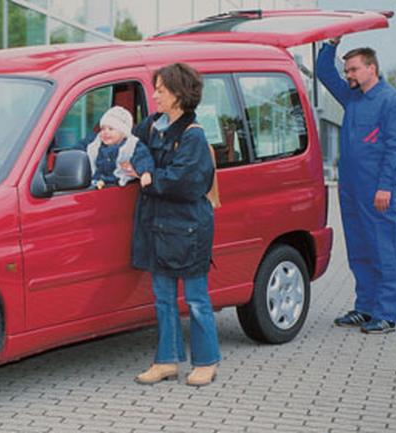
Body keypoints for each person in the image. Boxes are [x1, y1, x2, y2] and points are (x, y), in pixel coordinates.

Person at [122, 63, 220, 386]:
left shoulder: (193, 137)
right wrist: (140, 165)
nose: (154, 96)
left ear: (178, 95)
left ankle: (206, 361)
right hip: (158, 227)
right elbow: (132, 148)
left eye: (161, 90)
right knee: (162, 298)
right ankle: (166, 361)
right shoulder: (151, 126)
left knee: (195, 299)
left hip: (188, 229)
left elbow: (184, 182)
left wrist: (147, 178)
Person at [316, 37, 396, 334]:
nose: (348, 75)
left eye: (353, 69)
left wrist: (387, 187)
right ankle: (365, 307)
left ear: (371, 68)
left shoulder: (391, 100)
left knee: (384, 249)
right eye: (348, 70)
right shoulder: (352, 97)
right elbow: (323, 72)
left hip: (377, 190)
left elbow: (395, 147)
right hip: (350, 188)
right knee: (359, 248)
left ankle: (386, 314)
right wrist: (330, 44)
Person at [86, 106, 138, 189]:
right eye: (103, 129)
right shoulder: (96, 145)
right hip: (97, 184)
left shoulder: (131, 147)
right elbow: (82, 149)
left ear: (123, 133)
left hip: (118, 188)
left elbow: (143, 159)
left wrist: (145, 172)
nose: (106, 132)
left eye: (111, 129)